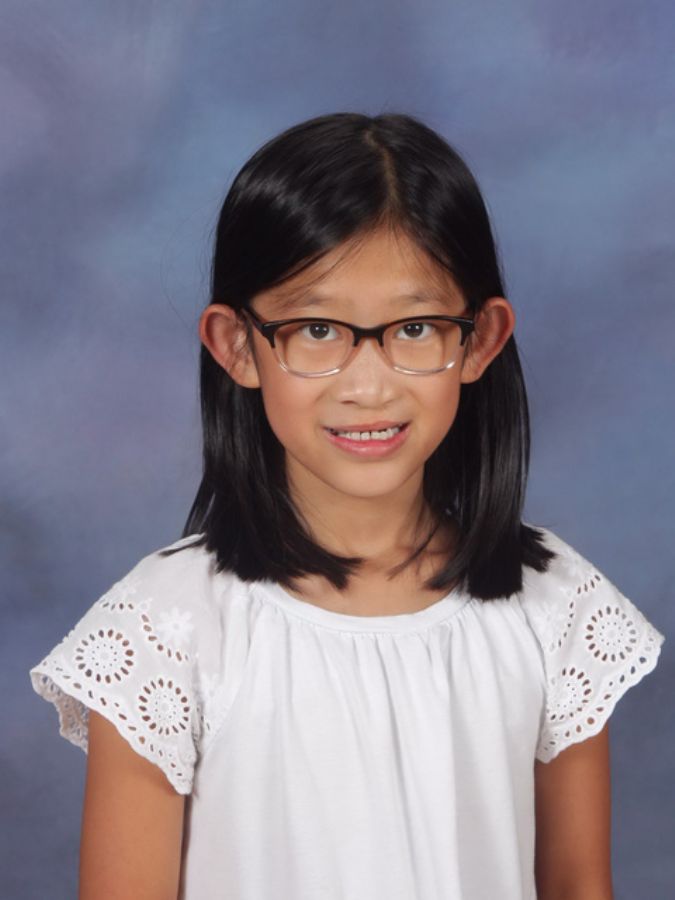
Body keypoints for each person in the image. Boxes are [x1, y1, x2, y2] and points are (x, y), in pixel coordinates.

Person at [29, 112, 665, 900]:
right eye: (317, 329)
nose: (368, 385)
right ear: (237, 346)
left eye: (415, 327)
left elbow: (576, 885)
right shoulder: (165, 629)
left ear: (478, 340)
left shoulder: (554, 609)